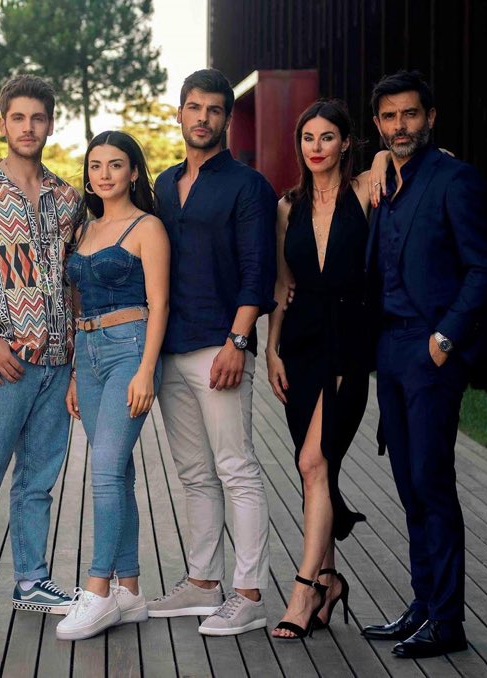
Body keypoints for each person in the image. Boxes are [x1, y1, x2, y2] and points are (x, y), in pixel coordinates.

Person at [360, 70, 487, 658]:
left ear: (430, 117)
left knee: (431, 483)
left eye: (410, 114)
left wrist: (445, 337)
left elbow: (483, 269)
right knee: (408, 484)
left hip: (429, 350)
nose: (400, 126)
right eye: (390, 117)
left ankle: (447, 622)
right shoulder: (384, 180)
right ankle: (423, 604)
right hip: (389, 351)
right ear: (378, 124)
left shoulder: (454, 179)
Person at [0, 75, 84, 625]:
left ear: (50, 124)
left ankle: (31, 580)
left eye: (38, 118)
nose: (28, 128)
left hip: (58, 361)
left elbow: (73, 281)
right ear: (3, 123)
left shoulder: (69, 199)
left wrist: (77, 355)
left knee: (38, 481)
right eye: (19, 118)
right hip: (3, 363)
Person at [147, 68, 277, 637]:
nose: (203, 118)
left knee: (236, 468)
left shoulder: (248, 187)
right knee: (195, 473)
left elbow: (258, 270)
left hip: (220, 347)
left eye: (214, 110)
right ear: (180, 113)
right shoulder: (163, 184)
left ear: (226, 118)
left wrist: (239, 341)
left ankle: (248, 594)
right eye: (194, 107)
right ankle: (203, 583)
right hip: (170, 348)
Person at [265, 99, 374, 639]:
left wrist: (384, 160)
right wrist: (271, 349)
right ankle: (330, 581)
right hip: (301, 343)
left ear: (346, 142)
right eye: (308, 137)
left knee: (314, 461)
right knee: (316, 470)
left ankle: (305, 589)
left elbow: (422, 160)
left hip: (349, 341)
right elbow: (283, 285)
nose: (316, 147)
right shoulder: (287, 206)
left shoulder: (367, 191)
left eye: (327, 137)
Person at [55, 131, 170, 641]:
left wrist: (146, 370)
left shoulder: (148, 227)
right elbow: (78, 303)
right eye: (96, 165)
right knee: (117, 474)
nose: (104, 174)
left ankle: (98, 590)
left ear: (133, 172)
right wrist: (75, 372)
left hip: (131, 348)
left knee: (102, 472)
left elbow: (160, 304)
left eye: (116, 164)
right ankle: (131, 591)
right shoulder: (84, 228)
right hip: (89, 353)